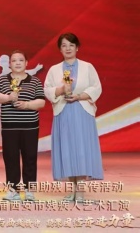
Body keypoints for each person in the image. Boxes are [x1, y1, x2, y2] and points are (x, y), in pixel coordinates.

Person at [43, 33, 103, 202]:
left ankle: (81, 192)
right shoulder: (54, 70)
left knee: (82, 150)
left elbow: (96, 87)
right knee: (67, 150)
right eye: (64, 45)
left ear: (77, 48)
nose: (68, 48)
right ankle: (72, 190)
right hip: (63, 112)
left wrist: (79, 96)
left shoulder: (87, 67)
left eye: (71, 45)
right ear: (60, 49)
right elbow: (47, 89)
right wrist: (61, 90)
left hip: (82, 111)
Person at [0, 50, 45, 201]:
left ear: (26, 63)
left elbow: (41, 101)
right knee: (10, 158)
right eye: (14, 60)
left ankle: (29, 190)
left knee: (30, 157)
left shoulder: (34, 81)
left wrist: (27, 105)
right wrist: (9, 97)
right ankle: (13, 189)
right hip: (9, 126)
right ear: (9, 64)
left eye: (21, 60)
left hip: (30, 126)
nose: (17, 63)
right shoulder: (3, 79)